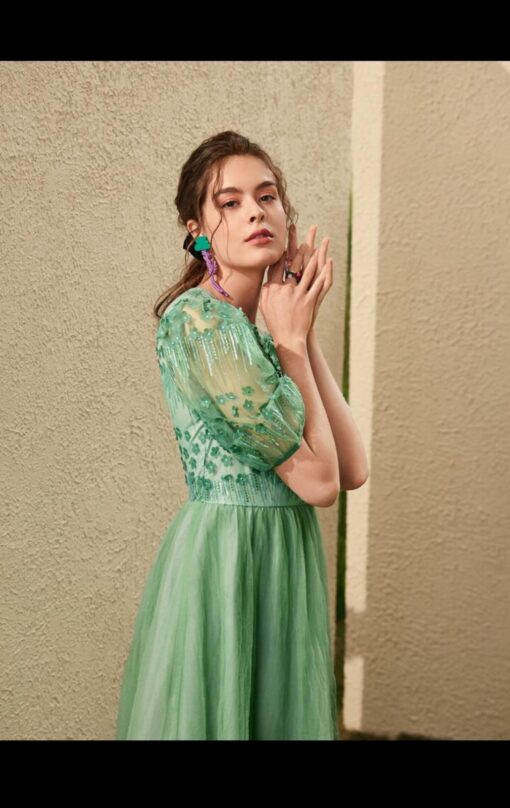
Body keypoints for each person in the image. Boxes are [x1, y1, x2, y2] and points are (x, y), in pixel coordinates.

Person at [116, 130, 364, 740]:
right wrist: (290, 342)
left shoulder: (264, 328)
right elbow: (321, 484)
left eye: (267, 196)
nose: (255, 211)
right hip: (227, 560)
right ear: (198, 229)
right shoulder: (199, 322)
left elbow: (354, 466)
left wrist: (301, 330)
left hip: (281, 557)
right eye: (229, 202)